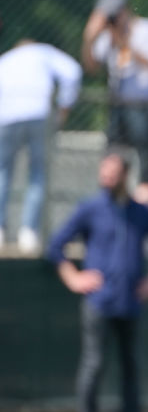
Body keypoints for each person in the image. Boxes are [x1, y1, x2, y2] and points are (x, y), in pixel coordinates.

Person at [45, 150, 148, 412]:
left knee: (132, 366)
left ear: (125, 175)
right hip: (98, 301)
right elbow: (55, 247)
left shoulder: (141, 212)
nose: (107, 177)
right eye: (104, 172)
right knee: (93, 364)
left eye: (113, 172)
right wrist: (73, 277)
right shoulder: (90, 208)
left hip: (130, 301)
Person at [0, 38, 82, 253]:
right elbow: (73, 72)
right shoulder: (43, 52)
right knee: (38, 173)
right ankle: (28, 232)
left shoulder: (6, 60)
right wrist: (63, 110)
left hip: (6, 117)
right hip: (39, 114)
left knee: (2, 172)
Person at [81, 0, 148, 183]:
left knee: (145, 163)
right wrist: (89, 38)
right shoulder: (109, 37)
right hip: (118, 107)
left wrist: (123, 42)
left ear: (126, 10)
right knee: (113, 159)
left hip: (144, 105)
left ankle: (145, 199)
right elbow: (91, 67)